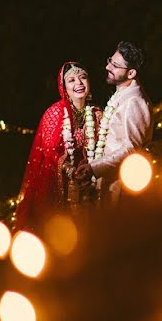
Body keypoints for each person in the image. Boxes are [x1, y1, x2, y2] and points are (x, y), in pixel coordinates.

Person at [15, 62, 102, 232]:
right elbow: (48, 150)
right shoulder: (55, 113)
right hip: (58, 183)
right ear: (64, 88)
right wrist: (70, 169)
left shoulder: (97, 114)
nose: (78, 83)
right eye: (71, 80)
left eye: (83, 77)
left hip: (89, 182)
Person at [74, 41, 152, 201]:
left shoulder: (134, 102)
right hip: (108, 181)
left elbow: (131, 148)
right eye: (110, 60)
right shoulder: (122, 94)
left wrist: (94, 168)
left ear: (131, 73)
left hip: (121, 186)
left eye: (115, 65)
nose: (108, 67)